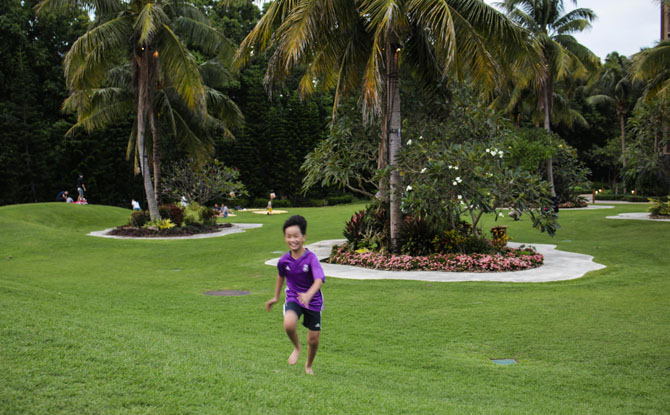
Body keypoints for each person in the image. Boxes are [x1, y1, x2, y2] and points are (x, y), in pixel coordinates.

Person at [265, 215, 325, 375]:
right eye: (289, 236)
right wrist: (276, 297)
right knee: (289, 324)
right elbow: (280, 276)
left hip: (313, 302)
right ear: (285, 238)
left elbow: (319, 280)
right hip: (294, 298)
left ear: (304, 237)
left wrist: (308, 295)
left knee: (313, 340)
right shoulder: (284, 261)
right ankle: (297, 347)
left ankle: (308, 365)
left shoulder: (311, 258)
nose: (293, 240)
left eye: (296, 236)